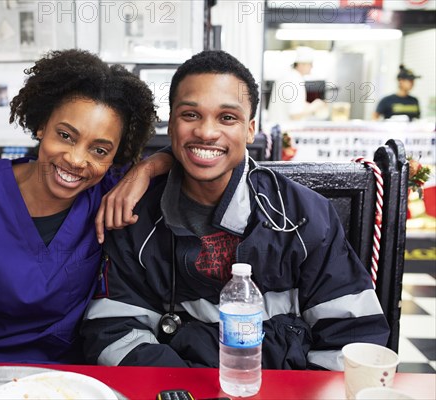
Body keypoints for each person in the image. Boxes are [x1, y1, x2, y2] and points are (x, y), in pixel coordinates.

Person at [82, 50, 390, 371]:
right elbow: (113, 331)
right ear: (171, 123)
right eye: (190, 115)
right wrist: (184, 390)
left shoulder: (304, 216)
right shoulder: (136, 217)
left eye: (227, 117)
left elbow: (354, 337)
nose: (206, 132)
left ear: (250, 129)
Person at [0, 49, 173, 363]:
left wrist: (146, 168)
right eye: (66, 135)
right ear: (42, 125)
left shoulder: (108, 192)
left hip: (70, 379)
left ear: (115, 156)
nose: (76, 159)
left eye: (99, 150)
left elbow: (191, 151)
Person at [266, 46, 327, 124]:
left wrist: (310, 105)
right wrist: (315, 105)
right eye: (310, 64)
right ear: (301, 64)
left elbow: (296, 105)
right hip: (285, 132)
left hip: (279, 129)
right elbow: (295, 114)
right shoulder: (294, 80)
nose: (312, 67)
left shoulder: (289, 76)